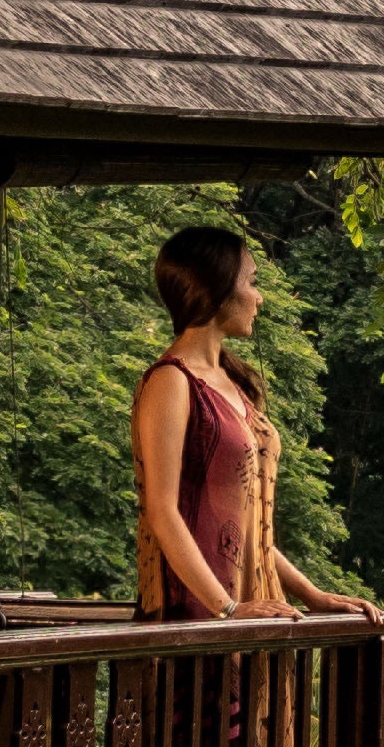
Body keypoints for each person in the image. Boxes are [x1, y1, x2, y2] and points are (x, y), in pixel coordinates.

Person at [126, 224, 359, 622]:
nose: (259, 297)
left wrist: (310, 593)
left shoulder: (232, 383)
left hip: (253, 609)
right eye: (251, 282)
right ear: (216, 290)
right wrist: (228, 608)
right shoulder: (171, 381)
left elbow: (251, 531)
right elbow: (161, 510)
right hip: (200, 618)